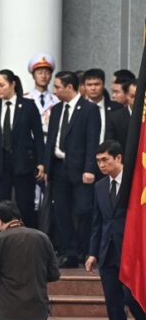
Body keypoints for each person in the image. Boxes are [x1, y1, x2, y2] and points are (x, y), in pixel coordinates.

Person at [85, 140, 146, 320]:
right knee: (113, 303)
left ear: (118, 158)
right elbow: (97, 222)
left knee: (134, 298)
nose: (101, 165)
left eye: (105, 160)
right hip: (108, 252)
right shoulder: (100, 186)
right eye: (98, 160)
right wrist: (93, 253)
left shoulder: (135, 182)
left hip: (133, 252)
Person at [44, 71, 101, 268]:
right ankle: (69, 251)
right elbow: (51, 139)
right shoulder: (57, 109)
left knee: (84, 210)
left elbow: (92, 141)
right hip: (58, 167)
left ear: (70, 87)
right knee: (61, 210)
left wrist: (90, 168)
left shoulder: (89, 109)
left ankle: (84, 250)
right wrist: (45, 164)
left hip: (80, 170)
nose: (55, 90)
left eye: (58, 86)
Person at [0, 69, 44, 227]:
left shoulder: (28, 106)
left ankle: (29, 238)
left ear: (12, 84)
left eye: (1, 85)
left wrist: (41, 162)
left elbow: (38, 135)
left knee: (25, 204)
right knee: (0, 205)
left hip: (23, 162)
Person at [83, 68, 122, 144]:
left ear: (103, 84)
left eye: (97, 84)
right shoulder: (79, 109)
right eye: (89, 85)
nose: (93, 88)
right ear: (84, 86)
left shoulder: (117, 108)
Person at [24, 53, 59, 134]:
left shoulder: (57, 99)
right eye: (40, 73)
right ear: (33, 76)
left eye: (47, 73)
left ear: (51, 76)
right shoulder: (25, 98)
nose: (43, 76)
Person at [106, 79, 136, 153]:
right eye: (133, 96)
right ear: (126, 95)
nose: (137, 100)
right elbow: (111, 146)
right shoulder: (114, 117)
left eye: (141, 96)